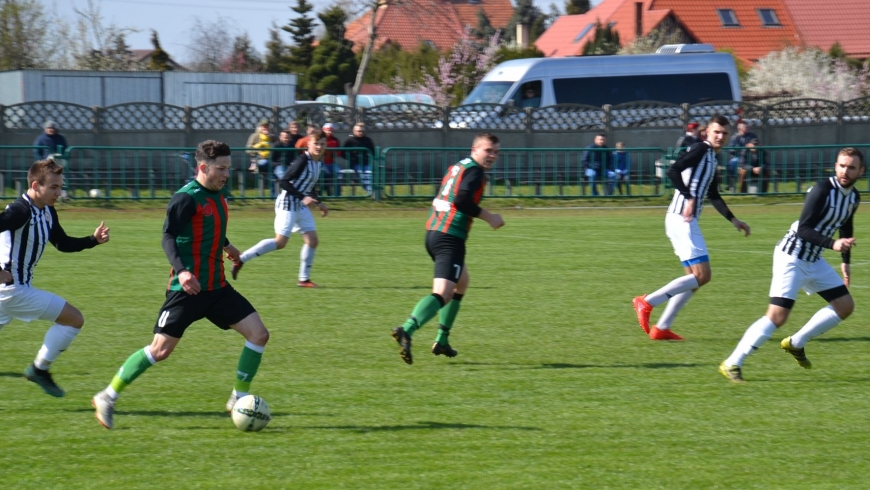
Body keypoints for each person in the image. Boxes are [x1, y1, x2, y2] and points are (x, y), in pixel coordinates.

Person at [91, 140, 270, 430]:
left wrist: (229, 246)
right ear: (203, 167)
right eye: (221, 169)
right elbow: (168, 236)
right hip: (186, 290)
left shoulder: (220, 194)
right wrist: (183, 272)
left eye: (228, 168)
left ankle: (239, 396)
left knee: (259, 334)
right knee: (160, 351)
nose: (227, 174)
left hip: (217, 287)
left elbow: (208, 229)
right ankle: (107, 397)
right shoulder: (185, 198)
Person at [719, 148, 863, 382]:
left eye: (851, 167)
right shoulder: (821, 190)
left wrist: (845, 261)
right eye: (841, 166)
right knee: (777, 316)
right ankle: (732, 362)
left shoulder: (853, 197)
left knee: (845, 306)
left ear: (861, 171)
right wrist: (833, 244)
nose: (845, 171)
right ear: (835, 166)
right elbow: (804, 229)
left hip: (814, 258)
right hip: (792, 256)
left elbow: (846, 225)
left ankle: (796, 343)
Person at [632, 115, 751, 340]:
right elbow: (673, 171)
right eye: (717, 132)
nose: (720, 137)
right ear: (707, 132)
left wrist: (734, 220)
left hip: (679, 220)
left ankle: (662, 328)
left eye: (725, 133)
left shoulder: (713, 158)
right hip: (682, 219)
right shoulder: (701, 150)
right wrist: (688, 197)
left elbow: (713, 194)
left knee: (692, 281)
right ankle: (646, 302)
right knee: (703, 275)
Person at [391, 132, 505, 364]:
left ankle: (442, 340)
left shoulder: (459, 166)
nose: (492, 155)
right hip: (449, 236)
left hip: (434, 232)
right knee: (443, 293)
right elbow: (461, 200)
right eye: (488, 150)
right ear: (475, 150)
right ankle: (407, 329)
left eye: (496, 152)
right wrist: (489, 217)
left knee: (462, 282)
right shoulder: (475, 172)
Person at [0, 158, 110, 397]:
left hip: (11, 292)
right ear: (36, 185)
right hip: (11, 291)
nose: (59, 192)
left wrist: (93, 240)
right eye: (53, 187)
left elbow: (62, 243)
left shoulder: (47, 211)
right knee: (74, 319)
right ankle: (39, 369)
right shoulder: (21, 210)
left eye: (60, 187)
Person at [232, 130, 329, 288]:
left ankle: (303, 280)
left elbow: (308, 186)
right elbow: (284, 181)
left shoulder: (318, 162)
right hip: (287, 204)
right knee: (280, 242)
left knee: (312, 241)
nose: (319, 146)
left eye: (322, 144)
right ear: (309, 143)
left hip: (300, 205)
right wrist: (303, 197)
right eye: (316, 143)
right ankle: (241, 259)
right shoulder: (303, 160)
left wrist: (318, 203)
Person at [342, 122, 375, 193]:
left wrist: (369, 158)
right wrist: (351, 158)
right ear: (354, 131)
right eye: (359, 131)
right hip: (355, 163)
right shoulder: (349, 140)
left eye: (363, 131)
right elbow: (342, 152)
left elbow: (373, 152)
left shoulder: (368, 140)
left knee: (368, 175)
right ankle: (370, 191)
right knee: (361, 175)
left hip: (366, 162)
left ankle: (370, 191)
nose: (361, 133)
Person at [727, 120, 759, 190]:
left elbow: (756, 145)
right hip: (737, 156)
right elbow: (730, 149)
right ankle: (732, 182)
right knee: (733, 162)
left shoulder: (752, 136)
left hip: (748, 156)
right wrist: (739, 149)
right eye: (746, 127)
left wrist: (750, 147)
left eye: (747, 127)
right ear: (740, 128)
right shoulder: (734, 137)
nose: (748, 128)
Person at [320, 123, 343, 197]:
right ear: (323, 130)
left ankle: (337, 194)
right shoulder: (320, 139)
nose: (329, 132)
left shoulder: (335, 140)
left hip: (331, 162)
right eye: (328, 130)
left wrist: (335, 153)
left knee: (339, 174)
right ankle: (327, 193)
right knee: (326, 174)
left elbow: (339, 153)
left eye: (331, 130)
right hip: (322, 162)